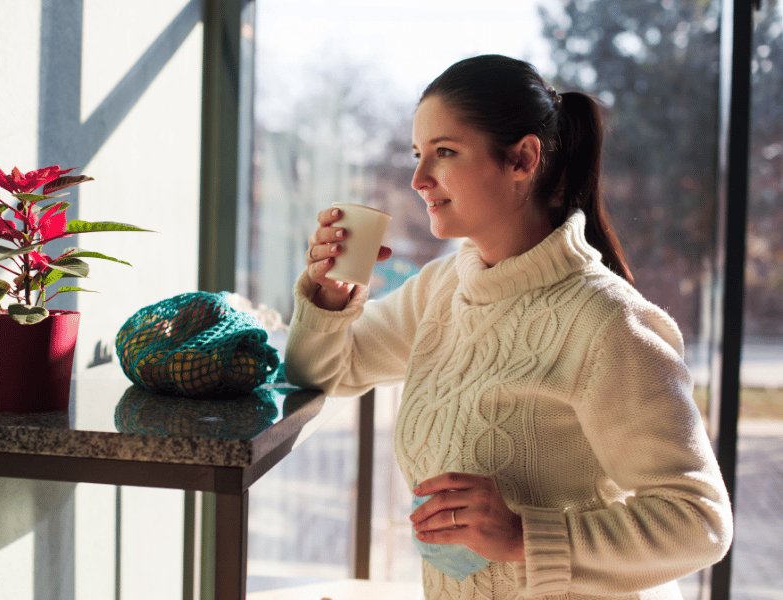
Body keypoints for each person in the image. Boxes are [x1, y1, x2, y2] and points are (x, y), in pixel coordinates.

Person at [284, 55, 733, 599]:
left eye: (444, 152)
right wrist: (332, 298)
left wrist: (525, 536)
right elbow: (319, 371)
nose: (418, 178)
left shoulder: (607, 322)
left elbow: (700, 521)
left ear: (522, 158)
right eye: (417, 153)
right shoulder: (443, 289)